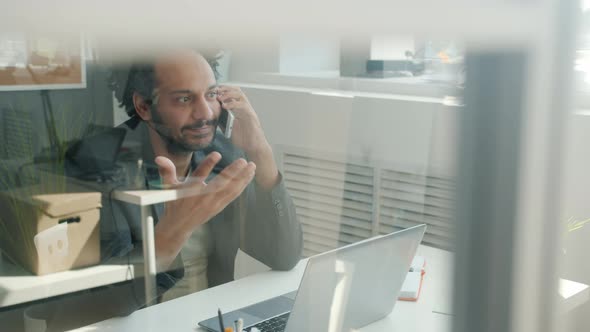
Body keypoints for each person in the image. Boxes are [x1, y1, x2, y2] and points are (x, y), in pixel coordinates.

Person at [104, 49, 303, 303]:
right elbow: (105, 301)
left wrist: (260, 151)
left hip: (210, 318)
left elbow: (283, 255)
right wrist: (176, 228)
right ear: (144, 106)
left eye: (210, 95)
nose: (205, 113)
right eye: (184, 100)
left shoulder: (224, 155)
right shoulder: (102, 166)